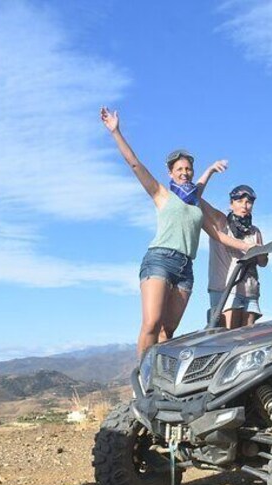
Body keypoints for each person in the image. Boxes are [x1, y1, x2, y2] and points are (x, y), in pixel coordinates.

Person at [100, 107, 246, 359]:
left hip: (185, 269)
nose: (184, 172)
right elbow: (135, 164)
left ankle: (159, 381)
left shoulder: (196, 204)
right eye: (179, 169)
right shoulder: (162, 194)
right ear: (170, 173)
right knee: (151, 323)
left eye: (188, 169)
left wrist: (249, 247)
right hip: (160, 260)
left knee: (168, 331)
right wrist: (116, 132)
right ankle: (142, 382)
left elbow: (220, 236)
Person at [201, 184, 267, 329]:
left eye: (248, 202)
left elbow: (263, 262)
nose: (244, 205)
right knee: (228, 337)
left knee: (247, 340)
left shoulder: (255, 231)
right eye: (239, 201)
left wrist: (261, 252)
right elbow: (197, 199)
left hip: (250, 291)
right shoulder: (221, 222)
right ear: (231, 204)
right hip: (225, 289)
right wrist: (210, 172)